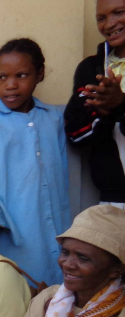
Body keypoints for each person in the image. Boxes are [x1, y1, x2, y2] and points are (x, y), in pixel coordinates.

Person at [0, 38, 70, 286]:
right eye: (2, 77)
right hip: (10, 225)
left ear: (40, 74)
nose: (10, 85)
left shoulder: (54, 119)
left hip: (55, 220)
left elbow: (62, 174)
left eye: (21, 75)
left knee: (55, 287)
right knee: (17, 285)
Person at [65, 0, 125, 208]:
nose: (109, 24)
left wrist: (121, 104)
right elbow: (75, 134)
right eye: (101, 18)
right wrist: (107, 113)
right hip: (113, 199)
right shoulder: (90, 70)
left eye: (119, 12)